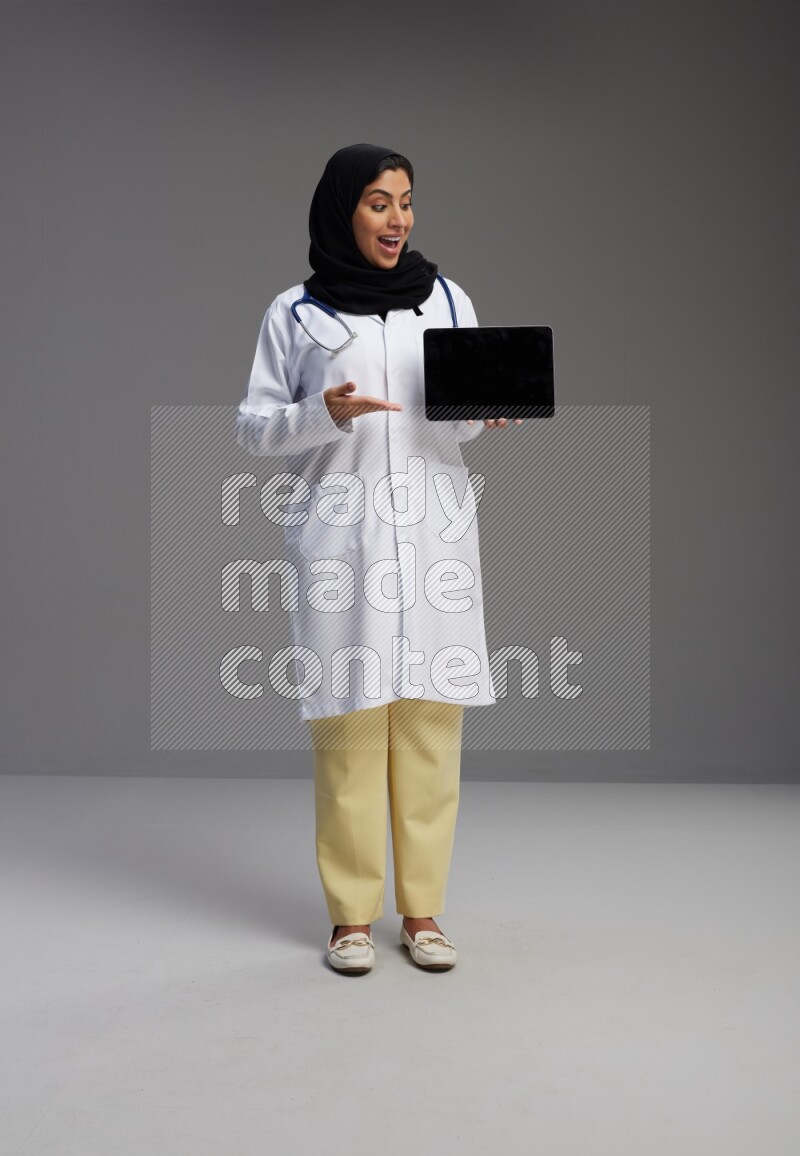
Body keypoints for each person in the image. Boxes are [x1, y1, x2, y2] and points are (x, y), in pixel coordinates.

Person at [234, 143, 522, 975]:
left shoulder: (447, 299)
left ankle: (423, 913)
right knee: (352, 731)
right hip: (342, 541)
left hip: (432, 540)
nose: (398, 219)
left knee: (432, 726)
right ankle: (351, 919)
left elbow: (454, 422)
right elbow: (252, 429)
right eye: (378, 202)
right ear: (341, 211)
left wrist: (485, 414)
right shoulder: (296, 315)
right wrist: (321, 412)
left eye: (406, 202)